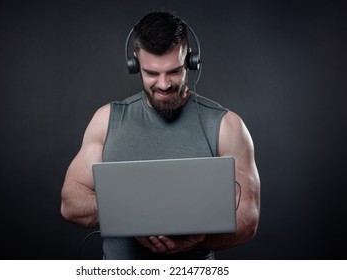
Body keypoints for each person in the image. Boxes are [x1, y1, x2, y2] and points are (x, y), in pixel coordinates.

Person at [61, 11, 260, 260]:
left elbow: (248, 218)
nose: (164, 84)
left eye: (174, 71)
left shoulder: (227, 126)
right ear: (135, 65)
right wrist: (128, 209)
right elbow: (70, 203)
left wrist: (196, 241)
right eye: (152, 73)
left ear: (190, 61)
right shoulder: (106, 120)